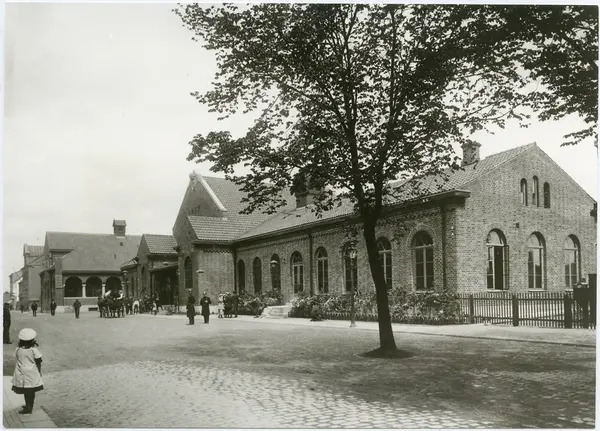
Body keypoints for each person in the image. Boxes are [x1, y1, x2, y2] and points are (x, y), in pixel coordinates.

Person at [12, 328, 44, 415]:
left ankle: (28, 406)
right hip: (31, 373)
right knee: (31, 391)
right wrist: (39, 372)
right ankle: (29, 406)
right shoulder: (33, 350)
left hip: (21, 372)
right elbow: (39, 361)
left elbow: (16, 358)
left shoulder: (18, 349)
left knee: (26, 390)